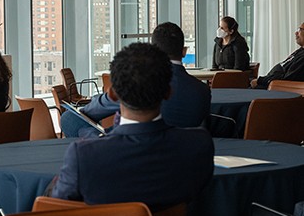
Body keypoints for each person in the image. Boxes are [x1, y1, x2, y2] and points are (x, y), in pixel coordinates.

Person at [51, 42, 214, 209]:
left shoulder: (83, 156)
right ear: (168, 92)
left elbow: (54, 210)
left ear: (113, 94)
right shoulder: (199, 144)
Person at [63, 22, 211, 137]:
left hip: (124, 148)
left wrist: (89, 133)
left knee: (70, 119)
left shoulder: (138, 80)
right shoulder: (203, 91)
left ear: (152, 49)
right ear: (184, 51)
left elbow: (92, 111)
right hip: (179, 156)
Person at [251, 22, 304, 89]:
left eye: (300, 30)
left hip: (278, 89)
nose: (296, 33)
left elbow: (287, 78)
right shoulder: (301, 50)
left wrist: (261, 80)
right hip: (271, 84)